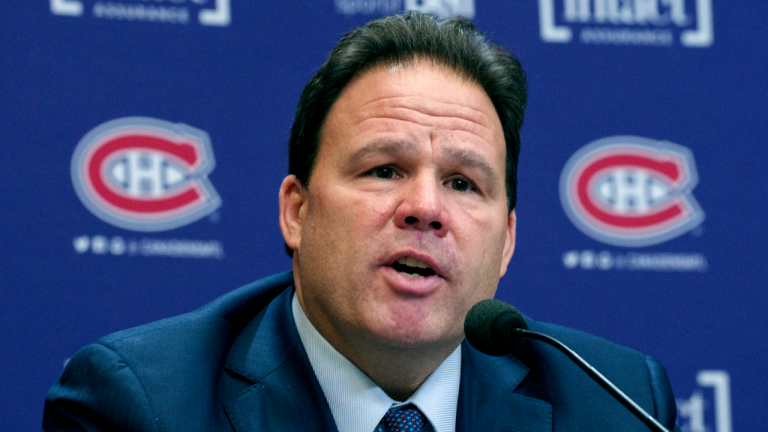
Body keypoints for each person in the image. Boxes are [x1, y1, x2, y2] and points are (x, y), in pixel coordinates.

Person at [43, 12, 679, 432]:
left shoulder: (618, 405)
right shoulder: (144, 406)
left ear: (507, 241)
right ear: (297, 212)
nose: (426, 208)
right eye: (384, 170)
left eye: (463, 183)